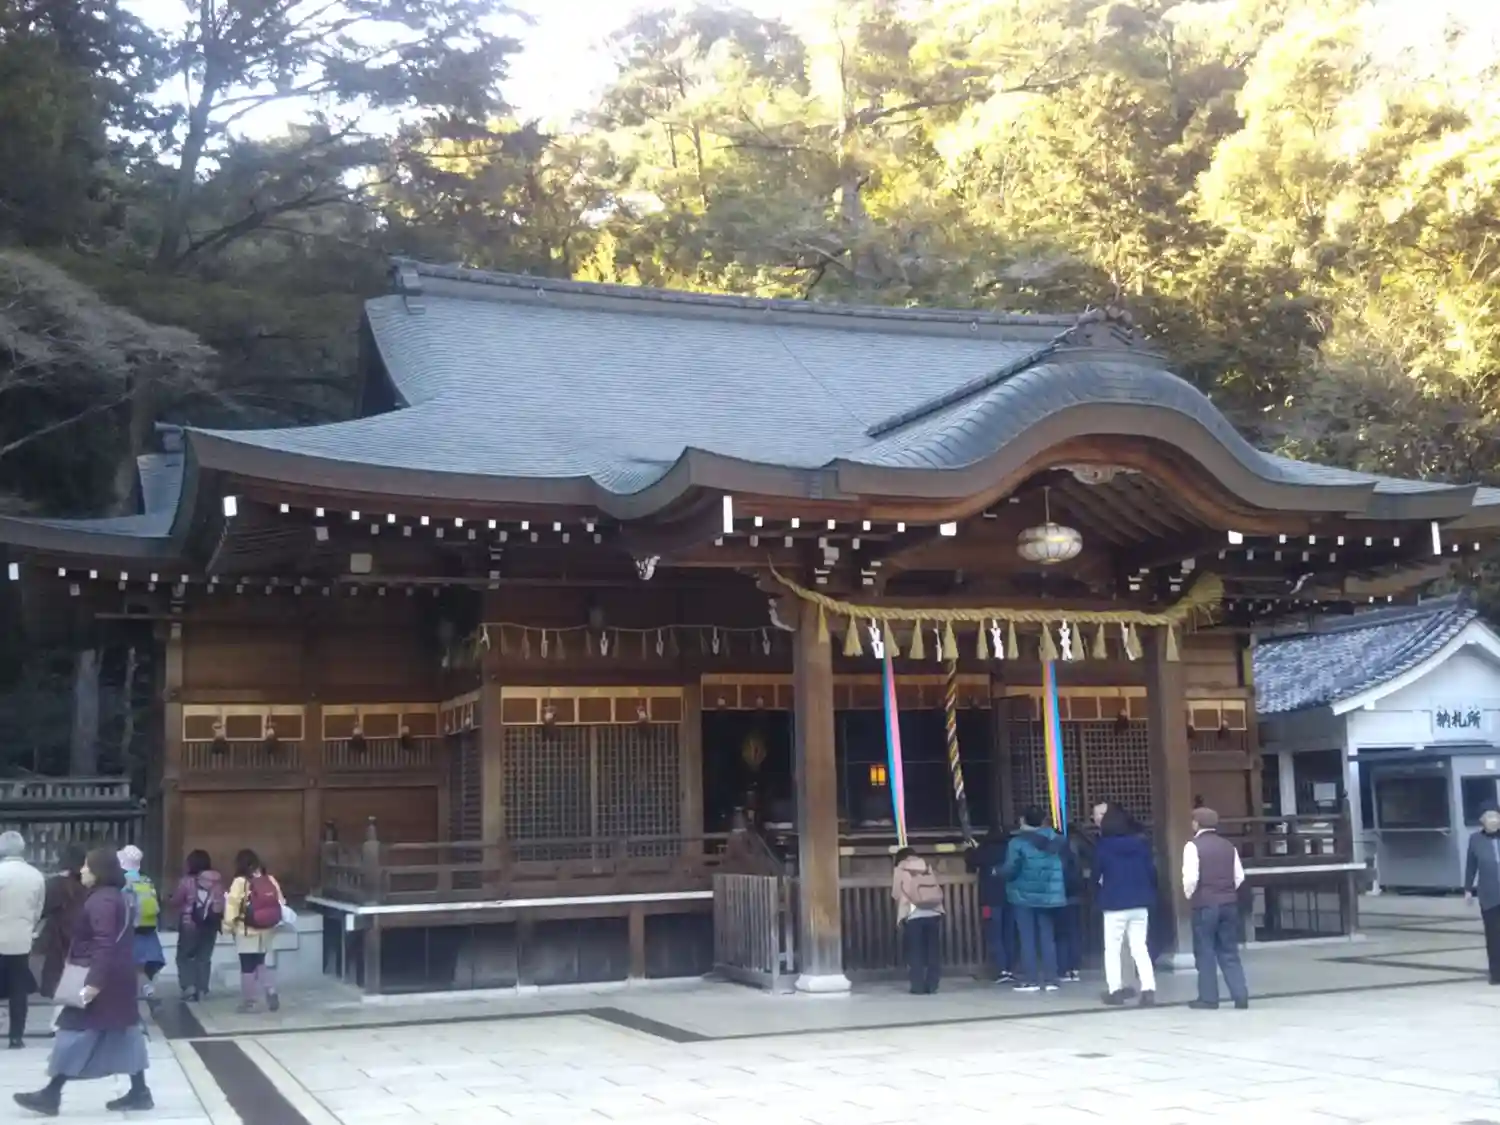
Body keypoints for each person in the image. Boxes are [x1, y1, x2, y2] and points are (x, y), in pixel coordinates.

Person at [12, 847, 152, 1115]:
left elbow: (103, 943)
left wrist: (94, 983)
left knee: (74, 1031)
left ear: (99, 870)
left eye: (87, 866)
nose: (83, 870)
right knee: (124, 1032)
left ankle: (51, 1094)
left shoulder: (101, 901)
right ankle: (139, 1091)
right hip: (118, 978)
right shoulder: (117, 897)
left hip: (100, 978)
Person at [1182, 806, 1249, 1010]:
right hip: (1229, 903)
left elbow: (1191, 878)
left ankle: (1208, 998)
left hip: (1205, 904)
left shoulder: (1193, 846)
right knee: (1229, 951)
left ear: (1196, 823)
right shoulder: (1229, 846)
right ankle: (1240, 995)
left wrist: (1190, 895)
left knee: (1205, 951)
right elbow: (1239, 877)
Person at [1094, 805, 1158, 1007]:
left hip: (1114, 903)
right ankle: (1148, 988)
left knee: (1112, 949)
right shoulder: (1141, 845)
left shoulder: (1104, 846)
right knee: (1140, 947)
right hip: (1140, 902)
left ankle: (1115, 990)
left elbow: (1096, 874)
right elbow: (1151, 872)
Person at [999, 806, 1066, 993]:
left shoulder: (1017, 842)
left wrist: (998, 872)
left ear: (1023, 820)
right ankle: (1051, 979)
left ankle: (1031, 980)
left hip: (1023, 895)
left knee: (1027, 938)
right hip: (1049, 894)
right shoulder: (1057, 840)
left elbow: (1011, 869)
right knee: (1047, 937)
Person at [223, 849, 285, 1013]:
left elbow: (232, 906)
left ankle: (249, 1002)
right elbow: (281, 902)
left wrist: (228, 927)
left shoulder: (240, 882)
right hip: (266, 929)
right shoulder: (269, 879)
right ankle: (270, 989)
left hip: (246, 930)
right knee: (260, 962)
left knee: (247, 966)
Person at [0, 831, 46, 1049]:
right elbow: (38, 910)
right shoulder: (36, 875)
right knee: (18, 990)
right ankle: (16, 1037)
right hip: (21, 939)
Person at [32, 846, 88, 1003]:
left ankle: (54, 990)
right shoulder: (88, 881)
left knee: (56, 962)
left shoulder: (56, 883)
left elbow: (43, 907)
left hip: (60, 928)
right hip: (84, 927)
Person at [168, 850, 224, 1002]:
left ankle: (189, 987)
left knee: (184, 956)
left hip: (190, 923)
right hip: (211, 923)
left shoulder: (186, 881)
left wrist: (170, 900)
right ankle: (202, 989)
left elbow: (177, 900)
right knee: (204, 957)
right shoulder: (217, 881)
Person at [117, 846, 165, 1015]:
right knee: (143, 968)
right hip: (148, 930)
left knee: (136, 970)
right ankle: (148, 994)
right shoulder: (146, 880)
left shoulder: (122, 881)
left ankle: (148, 997)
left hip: (129, 931)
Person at [891, 848, 945, 994]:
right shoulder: (926, 866)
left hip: (913, 914)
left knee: (915, 951)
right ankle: (932, 984)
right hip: (933, 911)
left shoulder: (900, 869)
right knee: (933, 951)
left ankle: (918, 985)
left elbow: (896, 893)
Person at [965, 825, 1015, 982]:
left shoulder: (985, 850)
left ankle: (1000, 969)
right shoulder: (1011, 849)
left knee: (994, 934)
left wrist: (970, 849)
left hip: (990, 899)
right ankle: (1010, 968)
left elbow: (972, 862)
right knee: (1009, 934)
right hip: (1011, 898)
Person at [1463, 802, 1500, 984]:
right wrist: (1468, 889)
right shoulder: (1475, 840)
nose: (1493, 820)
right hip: (1489, 895)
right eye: (1489, 816)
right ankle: (1496, 974)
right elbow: (1471, 865)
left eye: (1496, 816)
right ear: (1482, 820)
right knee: (1493, 936)